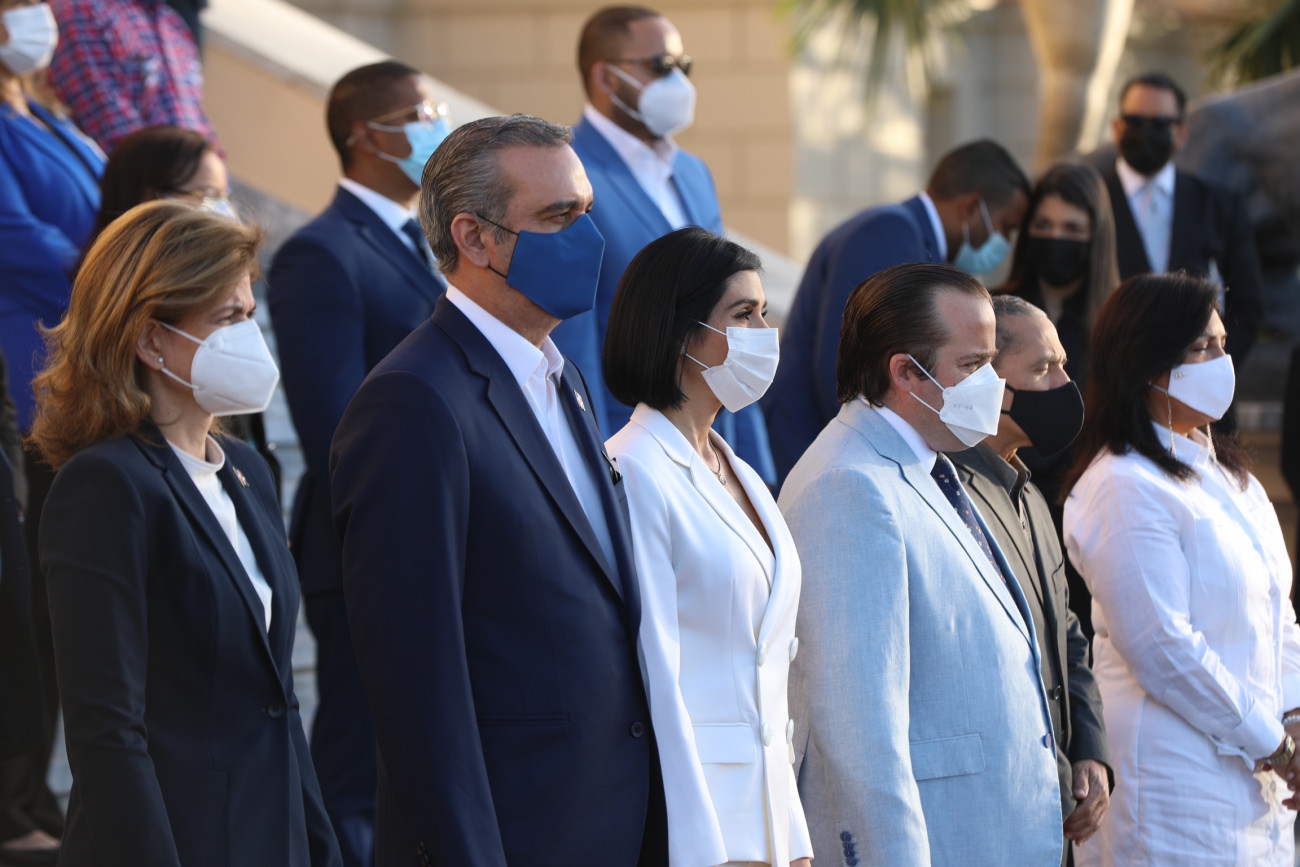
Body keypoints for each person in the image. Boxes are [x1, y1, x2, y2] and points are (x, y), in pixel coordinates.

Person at [330, 115, 667, 866]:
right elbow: (416, 682)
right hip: (516, 835)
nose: (590, 238)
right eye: (559, 217)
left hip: (609, 824)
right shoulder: (413, 401)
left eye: (586, 211)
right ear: (475, 238)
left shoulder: (564, 380)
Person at [29, 201, 341, 867]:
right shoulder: (106, 486)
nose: (250, 336)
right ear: (150, 341)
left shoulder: (247, 471)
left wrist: (318, 846)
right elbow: (107, 730)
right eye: (227, 318)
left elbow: (278, 701)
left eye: (249, 313)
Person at [780, 262, 1062, 867]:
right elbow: (859, 731)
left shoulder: (924, 463)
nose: (993, 385)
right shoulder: (849, 485)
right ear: (906, 372)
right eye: (973, 365)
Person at [267, 60, 448, 867]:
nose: (436, 126)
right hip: (369, 538)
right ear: (364, 134)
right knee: (357, 757)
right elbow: (334, 424)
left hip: (437, 531)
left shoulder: (432, 240)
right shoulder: (321, 252)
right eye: (420, 113)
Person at [1062, 272, 1300, 866]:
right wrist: (1273, 741)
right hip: (1174, 784)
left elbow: (1279, 615)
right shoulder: (1124, 484)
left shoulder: (1232, 479)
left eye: (1223, 344)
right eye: (1202, 348)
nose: (1222, 361)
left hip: (1260, 777)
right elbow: (1162, 646)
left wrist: (1293, 717)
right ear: (1146, 363)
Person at [603, 227, 812, 867]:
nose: (764, 333)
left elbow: (767, 680)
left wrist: (793, 837)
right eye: (743, 315)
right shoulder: (633, 468)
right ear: (679, 332)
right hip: (704, 828)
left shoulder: (737, 468)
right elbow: (655, 672)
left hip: (769, 822)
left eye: (764, 313)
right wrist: (702, 847)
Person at [552, 5, 775, 484]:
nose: (677, 81)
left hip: (714, 444)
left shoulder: (693, 173)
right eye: (660, 65)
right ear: (605, 78)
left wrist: (754, 463)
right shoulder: (568, 172)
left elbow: (732, 310)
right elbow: (574, 334)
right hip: (632, 447)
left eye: (682, 66)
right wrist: (596, 462)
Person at [948, 295, 1111, 865]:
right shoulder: (950, 498)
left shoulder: (1033, 496)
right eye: (1043, 369)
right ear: (987, 383)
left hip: (1056, 810)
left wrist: (1091, 751)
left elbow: (1068, 633)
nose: (1065, 384)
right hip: (1000, 812)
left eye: (1063, 364)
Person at [763, 140, 1031, 485]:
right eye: (1006, 226)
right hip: (822, 456)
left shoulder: (905, 234)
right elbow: (848, 365)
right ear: (971, 208)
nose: (1006, 242)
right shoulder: (888, 235)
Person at [0, 4, 104, 857]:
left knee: (55, 603)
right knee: (26, 603)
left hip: (80, 368)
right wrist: (125, 279)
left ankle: (37, 788)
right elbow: (17, 238)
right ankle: (16, 796)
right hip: (29, 367)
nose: (36, 18)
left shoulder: (50, 115)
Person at [1000, 161, 1120, 640]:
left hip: (1088, 523)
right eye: (1044, 225)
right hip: (1011, 505)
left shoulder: (1115, 326)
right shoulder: (994, 311)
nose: (1056, 239)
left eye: (1072, 229)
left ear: (1096, 237)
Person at [1101, 71, 1262, 364]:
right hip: (1109, 377)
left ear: (1182, 133)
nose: (1146, 132)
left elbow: (1247, 307)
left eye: (1160, 124)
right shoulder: (1091, 203)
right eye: (1135, 122)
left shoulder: (1221, 206)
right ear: (1117, 128)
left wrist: (1210, 368)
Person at [46, 0, 215, 153]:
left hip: (188, 170)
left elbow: (199, 124)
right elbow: (122, 147)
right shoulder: (85, 12)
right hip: (147, 173)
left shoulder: (172, 22)